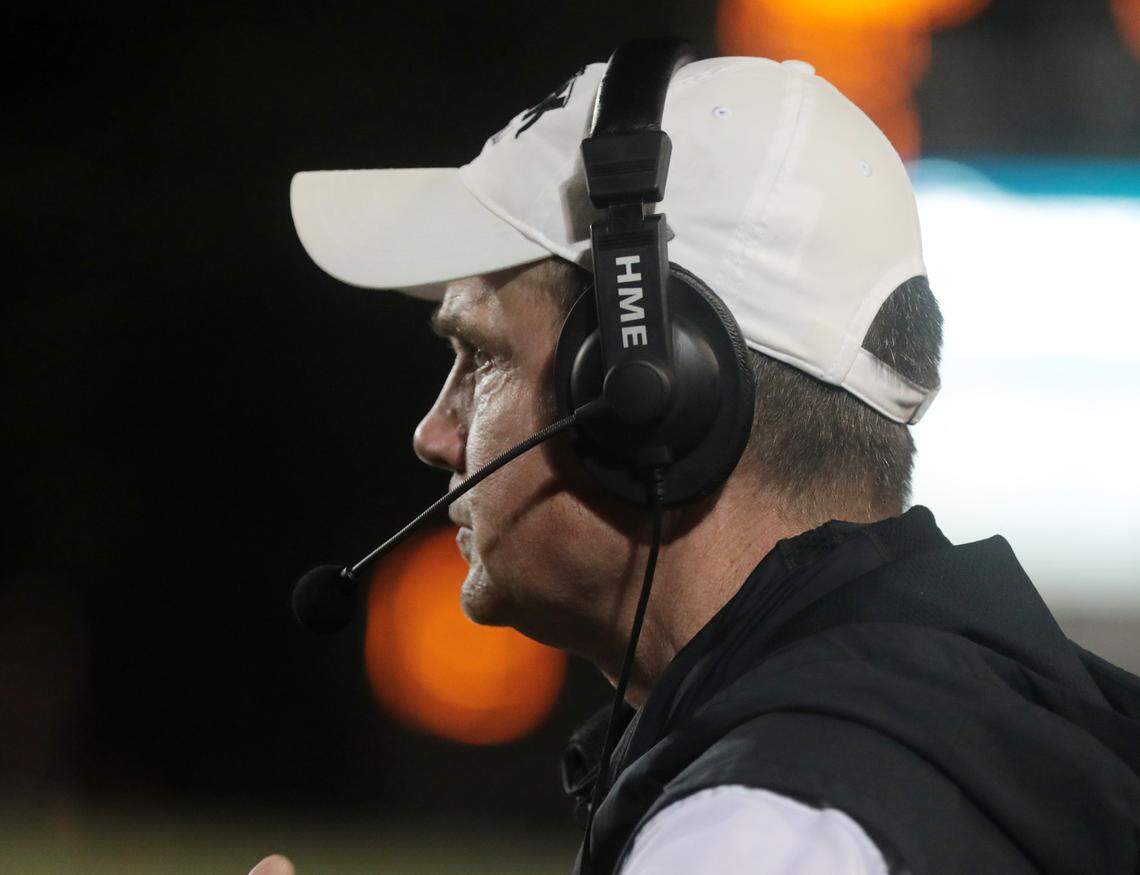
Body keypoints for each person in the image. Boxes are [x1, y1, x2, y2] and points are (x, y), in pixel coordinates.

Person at [258, 47, 1140, 875]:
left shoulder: (769, 825)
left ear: (647, 390)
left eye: (481, 358)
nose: (433, 432)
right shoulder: (966, 722)